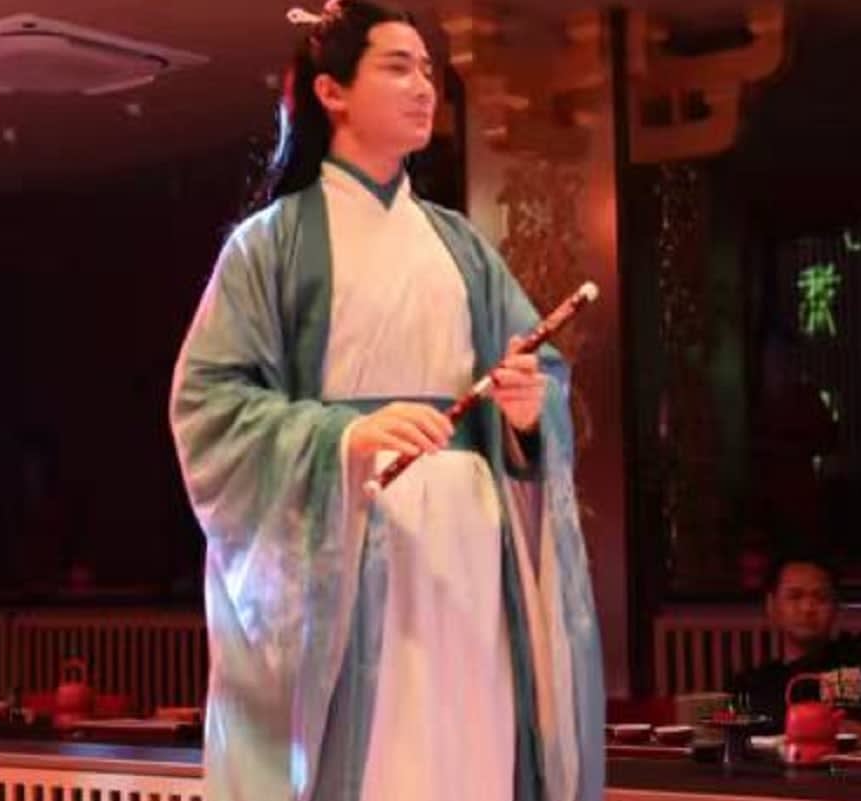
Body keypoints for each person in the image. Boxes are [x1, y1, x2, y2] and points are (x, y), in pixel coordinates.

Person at [166, 2, 602, 799]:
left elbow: (541, 376)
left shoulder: (462, 246)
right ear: (331, 91)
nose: (424, 87)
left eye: (428, 70)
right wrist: (343, 436)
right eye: (398, 67)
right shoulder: (271, 245)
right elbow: (208, 404)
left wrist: (526, 410)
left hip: (468, 550)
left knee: (472, 758)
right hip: (352, 541)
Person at [724, 555, 861, 746]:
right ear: (772, 606)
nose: (808, 608)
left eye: (821, 597)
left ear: (836, 607)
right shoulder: (754, 685)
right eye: (795, 596)